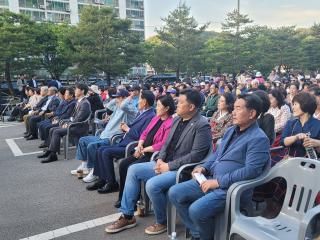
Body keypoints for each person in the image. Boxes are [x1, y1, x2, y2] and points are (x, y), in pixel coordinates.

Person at [105, 89, 212, 235]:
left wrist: (168, 166)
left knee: (152, 184)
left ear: (191, 107)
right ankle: (127, 216)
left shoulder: (202, 125)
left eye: (180, 102)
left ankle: (162, 221)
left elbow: (195, 156)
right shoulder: (176, 119)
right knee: (133, 169)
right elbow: (166, 144)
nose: (177, 105)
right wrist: (160, 159)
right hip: (164, 163)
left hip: (181, 170)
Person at [168, 93, 270, 240]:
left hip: (230, 189)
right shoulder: (231, 130)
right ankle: (199, 234)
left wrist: (218, 182)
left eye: (238, 108)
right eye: (233, 108)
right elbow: (217, 154)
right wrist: (203, 166)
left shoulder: (259, 138)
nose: (233, 112)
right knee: (175, 192)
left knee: (196, 210)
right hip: (210, 179)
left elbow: (251, 171)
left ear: (252, 113)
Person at [109, 95, 175, 208]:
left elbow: (163, 144)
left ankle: (133, 200)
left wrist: (144, 149)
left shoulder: (170, 123)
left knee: (132, 167)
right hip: (142, 149)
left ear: (166, 108)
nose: (156, 108)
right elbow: (144, 133)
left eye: (159, 105)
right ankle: (123, 197)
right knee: (123, 164)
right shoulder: (156, 118)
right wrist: (139, 145)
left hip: (152, 154)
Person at [71, 89, 138, 182]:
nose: (116, 100)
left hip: (113, 139)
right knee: (83, 140)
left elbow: (124, 105)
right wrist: (117, 99)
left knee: (92, 146)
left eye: (118, 97)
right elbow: (108, 105)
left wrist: (128, 98)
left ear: (125, 99)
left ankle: (95, 171)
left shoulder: (130, 110)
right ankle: (84, 166)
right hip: (103, 135)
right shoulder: (117, 107)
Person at [37, 83, 91, 163]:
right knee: (52, 129)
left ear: (82, 91)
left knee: (56, 131)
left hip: (79, 127)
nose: (75, 91)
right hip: (74, 125)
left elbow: (79, 119)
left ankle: (53, 155)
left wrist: (68, 123)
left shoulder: (85, 103)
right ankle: (51, 151)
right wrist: (68, 122)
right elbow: (73, 117)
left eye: (76, 89)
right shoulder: (79, 101)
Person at [281, 92, 320, 158]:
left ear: (305, 105)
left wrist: (318, 143)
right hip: (292, 161)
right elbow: (283, 142)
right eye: (292, 104)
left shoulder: (318, 124)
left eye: (295, 104)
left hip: (312, 164)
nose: (292, 107)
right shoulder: (291, 123)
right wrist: (296, 137)